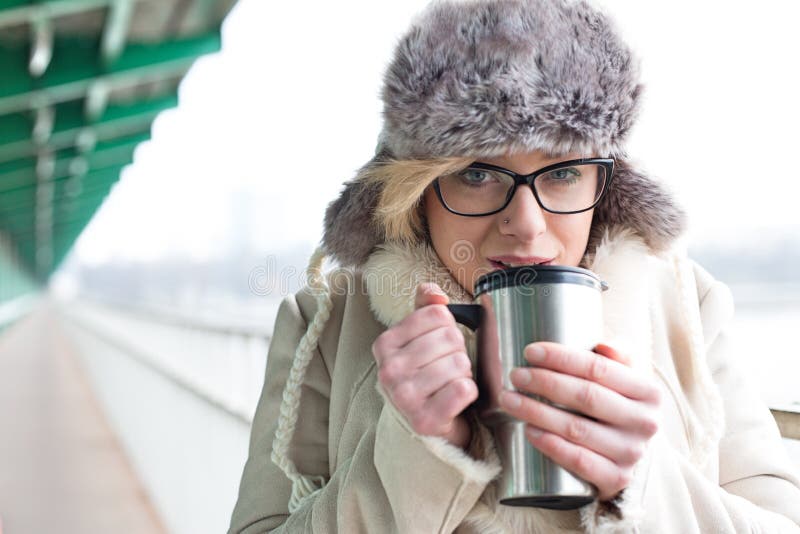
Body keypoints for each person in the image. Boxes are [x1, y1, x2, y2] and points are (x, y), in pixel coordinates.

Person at [228, 0, 800, 532]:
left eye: (562, 172)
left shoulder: (686, 308)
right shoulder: (323, 327)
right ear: (418, 188)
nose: (526, 224)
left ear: (606, 182)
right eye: (477, 174)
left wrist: (641, 483)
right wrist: (412, 454)